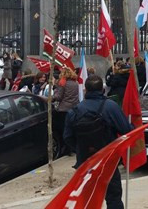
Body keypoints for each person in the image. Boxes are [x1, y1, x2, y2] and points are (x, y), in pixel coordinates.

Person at [64, 75, 132, 209]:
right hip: (108, 161)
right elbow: (126, 130)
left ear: (85, 90)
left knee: (87, 199)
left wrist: (80, 148)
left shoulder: (74, 111)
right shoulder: (111, 107)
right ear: (102, 89)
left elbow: (67, 137)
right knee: (113, 197)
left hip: (85, 163)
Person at [54, 68, 80, 143]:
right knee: (72, 129)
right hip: (74, 108)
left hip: (64, 110)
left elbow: (58, 97)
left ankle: (65, 147)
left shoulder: (63, 83)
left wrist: (55, 91)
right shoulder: (76, 83)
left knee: (64, 129)